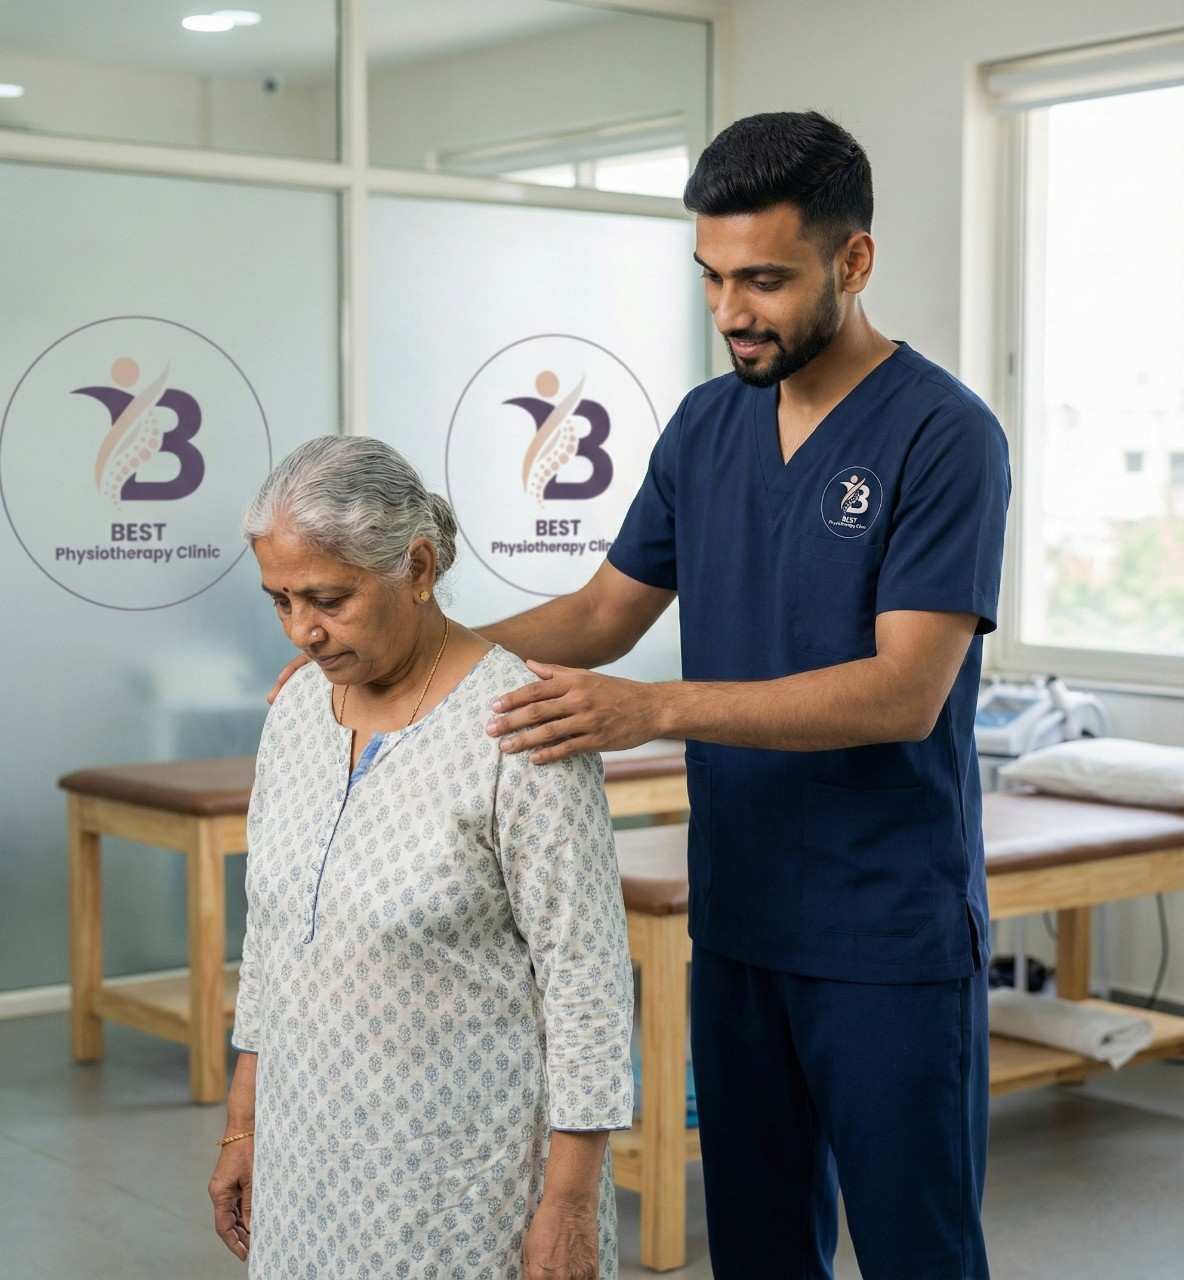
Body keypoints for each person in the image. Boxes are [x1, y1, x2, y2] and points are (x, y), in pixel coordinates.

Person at [481, 112, 1011, 1278]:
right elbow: (599, 614)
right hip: (739, 918)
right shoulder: (706, 423)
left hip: (884, 931)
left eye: (763, 279)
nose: (729, 310)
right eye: (712, 277)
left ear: (852, 261)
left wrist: (651, 711)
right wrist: (414, 650)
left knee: (917, 1251)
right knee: (760, 1251)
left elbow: (900, 692)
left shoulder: (943, 434)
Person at [209, 436, 633, 1280]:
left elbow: (588, 986)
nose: (303, 630)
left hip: (457, 1190)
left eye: (329, 597)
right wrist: (243, 1125)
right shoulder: (296, 709)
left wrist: (571, 1205)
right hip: (305, 1168)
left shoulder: (521, 725)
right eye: (280, 601)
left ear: (419, 566)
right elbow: (270, 940)